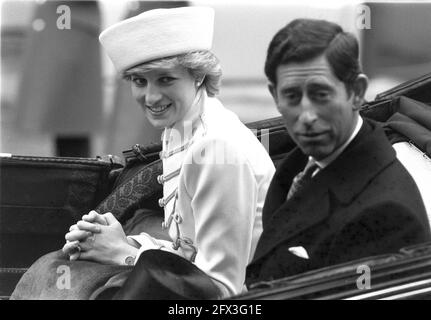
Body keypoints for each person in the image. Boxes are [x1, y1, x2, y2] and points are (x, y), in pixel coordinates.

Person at [60, 6, 275, 298]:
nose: (151, 97)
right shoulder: (183, 127)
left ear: (198, 76)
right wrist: (120, 242)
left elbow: (220, 288)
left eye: (165, 79)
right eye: (140, 81)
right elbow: (188, 249)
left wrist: (122, 255)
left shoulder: (215, 148)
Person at [246, 18, 431, 286]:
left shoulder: (388, 215)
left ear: (356, 92)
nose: (306, 116)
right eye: (292, 97)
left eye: (321, 95)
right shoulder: (303, 162)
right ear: (274, 96)